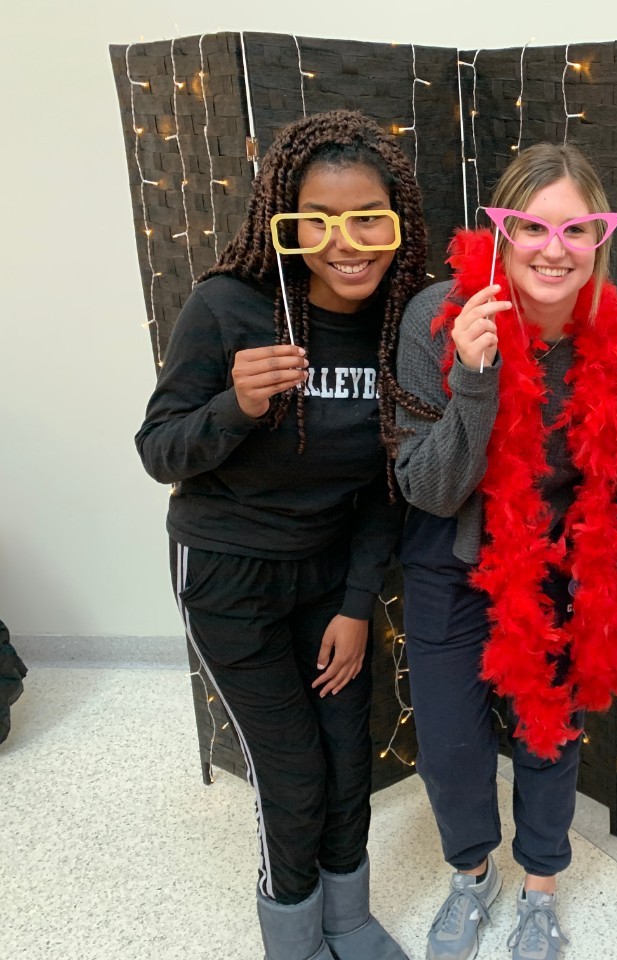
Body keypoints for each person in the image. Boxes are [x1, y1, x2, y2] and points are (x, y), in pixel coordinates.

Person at [136, 109, 436, 960]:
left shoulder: (400, 323)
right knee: (293, 776)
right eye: (319, 218)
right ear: (287, 220)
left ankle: (349, 920)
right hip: (230, 578)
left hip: (329, 579)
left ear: (399, 221)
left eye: (369, 216)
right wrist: (236, 406)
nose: (348, 241)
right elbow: (159, 451)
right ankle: (295, 939)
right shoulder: (229, 306)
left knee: (350, 764)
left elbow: (389, 484)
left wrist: (353, 603)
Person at [393, 142, 617, 960]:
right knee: (453, 751)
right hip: (453, 563)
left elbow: (613, 476)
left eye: (576, 228)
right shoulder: (438, 315)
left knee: (549, 735)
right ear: (501, 233)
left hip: (556, 572)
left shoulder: (609, 339)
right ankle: (472, 875)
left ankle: (541, 886)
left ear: (598, 241)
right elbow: (429, 487)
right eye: (532, 226)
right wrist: (474, 374)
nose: (552, 247)